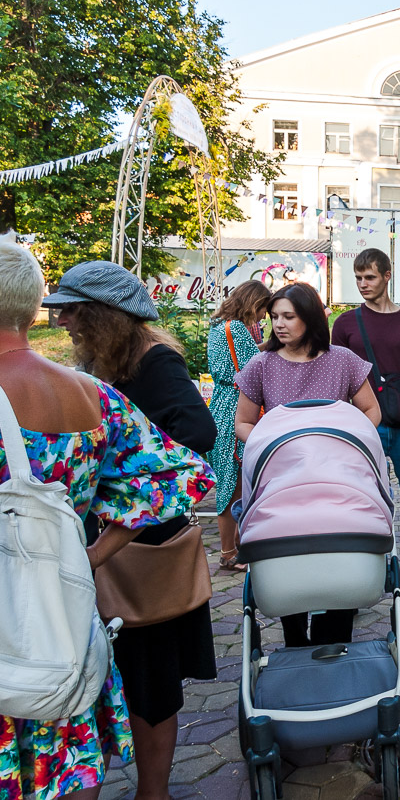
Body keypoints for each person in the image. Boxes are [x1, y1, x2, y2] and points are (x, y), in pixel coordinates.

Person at [0, 245, 213, 800]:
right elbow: (179, 476)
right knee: (61, 744)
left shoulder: (135, 371)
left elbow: (193, 447)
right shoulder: (93, 394)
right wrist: (88, 556)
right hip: (62, 609)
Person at [235, 282, 380, 646]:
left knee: (339, 562)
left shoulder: (342, 360)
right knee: (290, 562)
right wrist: (274, 446)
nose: (278, 325)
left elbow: (371, 410)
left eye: (288, 316)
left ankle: (334, 647)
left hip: (337, 480)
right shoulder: (261, 364)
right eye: (274, 317)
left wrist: (344, 442)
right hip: (284, 481)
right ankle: (296, 645)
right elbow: (243, 423)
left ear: (310, 318)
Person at [332, 249, 400, 603]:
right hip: (364, 428)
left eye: (370, 277)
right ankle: (364, 577)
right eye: (358, 277)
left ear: (388, 276)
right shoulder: (345, 323)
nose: (363, 284)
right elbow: (336, 375)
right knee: (365, 505)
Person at [206, 280, 271, 573]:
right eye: (263, 310)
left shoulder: (223, 327)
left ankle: (236, 545)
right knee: (231, 485)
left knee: (234, 483)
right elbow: (249, 368)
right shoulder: (236, 330)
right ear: (253, 304)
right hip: (234, 410)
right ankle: (229, 553)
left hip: (221, 408)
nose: (264, 318)